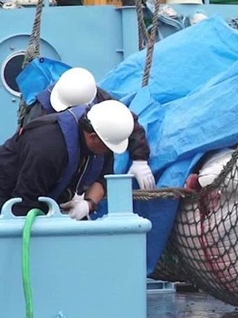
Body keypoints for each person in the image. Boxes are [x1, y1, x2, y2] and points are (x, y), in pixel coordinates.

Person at [21, 67, 156, 190]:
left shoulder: (101, 102)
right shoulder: (41, 112)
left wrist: (140, 159)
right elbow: (30, 150)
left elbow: (127, 122)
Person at [0, 100, 135, 220]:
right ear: (93, 137)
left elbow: (103, 178)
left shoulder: (104, 139)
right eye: (107, 147)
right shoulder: (47, 148)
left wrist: (88, 204)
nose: (109, 151)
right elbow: (24, 202)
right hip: (9, 195)